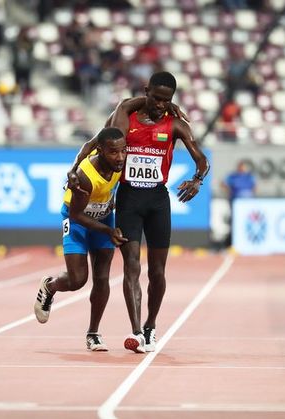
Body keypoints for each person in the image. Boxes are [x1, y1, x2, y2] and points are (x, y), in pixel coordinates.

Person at [67, 71, 210, 353]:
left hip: (158, 200)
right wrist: (73, 170)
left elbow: (200, 158)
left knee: (157, 271)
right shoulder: (126, 118)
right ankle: (136, 333)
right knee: (132, 266)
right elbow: (99, 138)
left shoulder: (176, 125)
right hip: (129, 198)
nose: (159, 105)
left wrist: (197, 180)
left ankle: (150, 326)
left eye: (166, 100)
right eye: (155, 98)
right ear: (146, 92)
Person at [34, 127, 128, 351]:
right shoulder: (84, 178)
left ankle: (93, 333)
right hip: (77, 220)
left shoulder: (119, 163)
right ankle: (50, 286)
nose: (120, 157)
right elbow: (77, 215)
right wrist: (108, 231)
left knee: (102, 276)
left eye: (123, 151)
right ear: (101, 151)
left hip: (104, 218)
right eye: (114, 153)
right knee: (77, 280)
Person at [221, 160, 256, 247]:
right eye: (241, 167)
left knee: (247, 221)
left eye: (243, 167)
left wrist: (252, 195)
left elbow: (254, 186)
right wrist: (229, 192)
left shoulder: (249, 177)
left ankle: (248, 240)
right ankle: (234, 242)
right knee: (235, 221)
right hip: (236, 202)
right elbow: (223, 184)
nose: (242, 169)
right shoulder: (233, 176)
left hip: (247, 203)